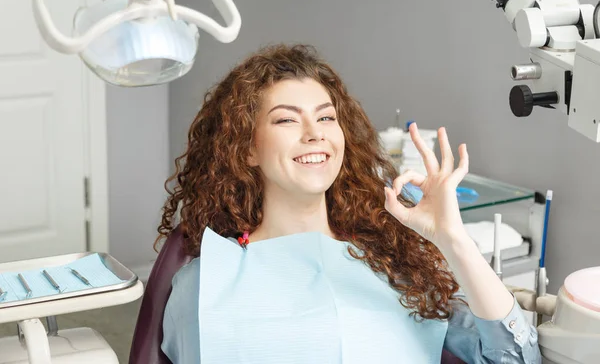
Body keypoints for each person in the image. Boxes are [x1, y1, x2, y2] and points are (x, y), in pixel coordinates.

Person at [156, 44, 541, 363]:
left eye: (326, 118)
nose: (314, 135)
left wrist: (454, 241)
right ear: (248, 148)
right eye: (287, 121)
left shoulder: (400, 268)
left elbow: (515, 357)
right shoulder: (206, 284)